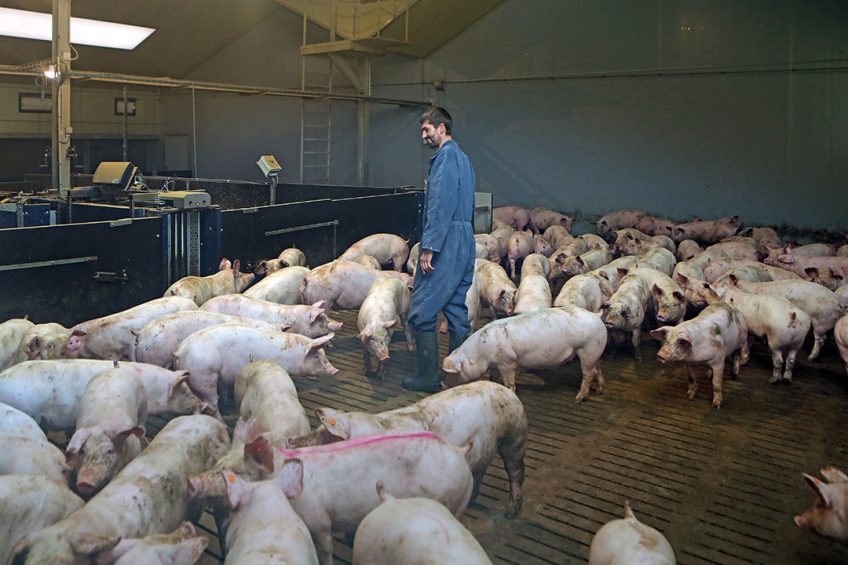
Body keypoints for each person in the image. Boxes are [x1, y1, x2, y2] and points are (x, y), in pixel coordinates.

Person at [402, 107, 476, 392]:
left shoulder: (445, 157)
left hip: (445, 239)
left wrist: (430, 246)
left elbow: (440, 205)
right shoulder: (464, 159)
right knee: (456, 308)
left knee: (421, 310)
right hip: (464, 237)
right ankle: (459, 374)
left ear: (442, 128)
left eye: (427, 130)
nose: (424, 136)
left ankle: (429, 377)